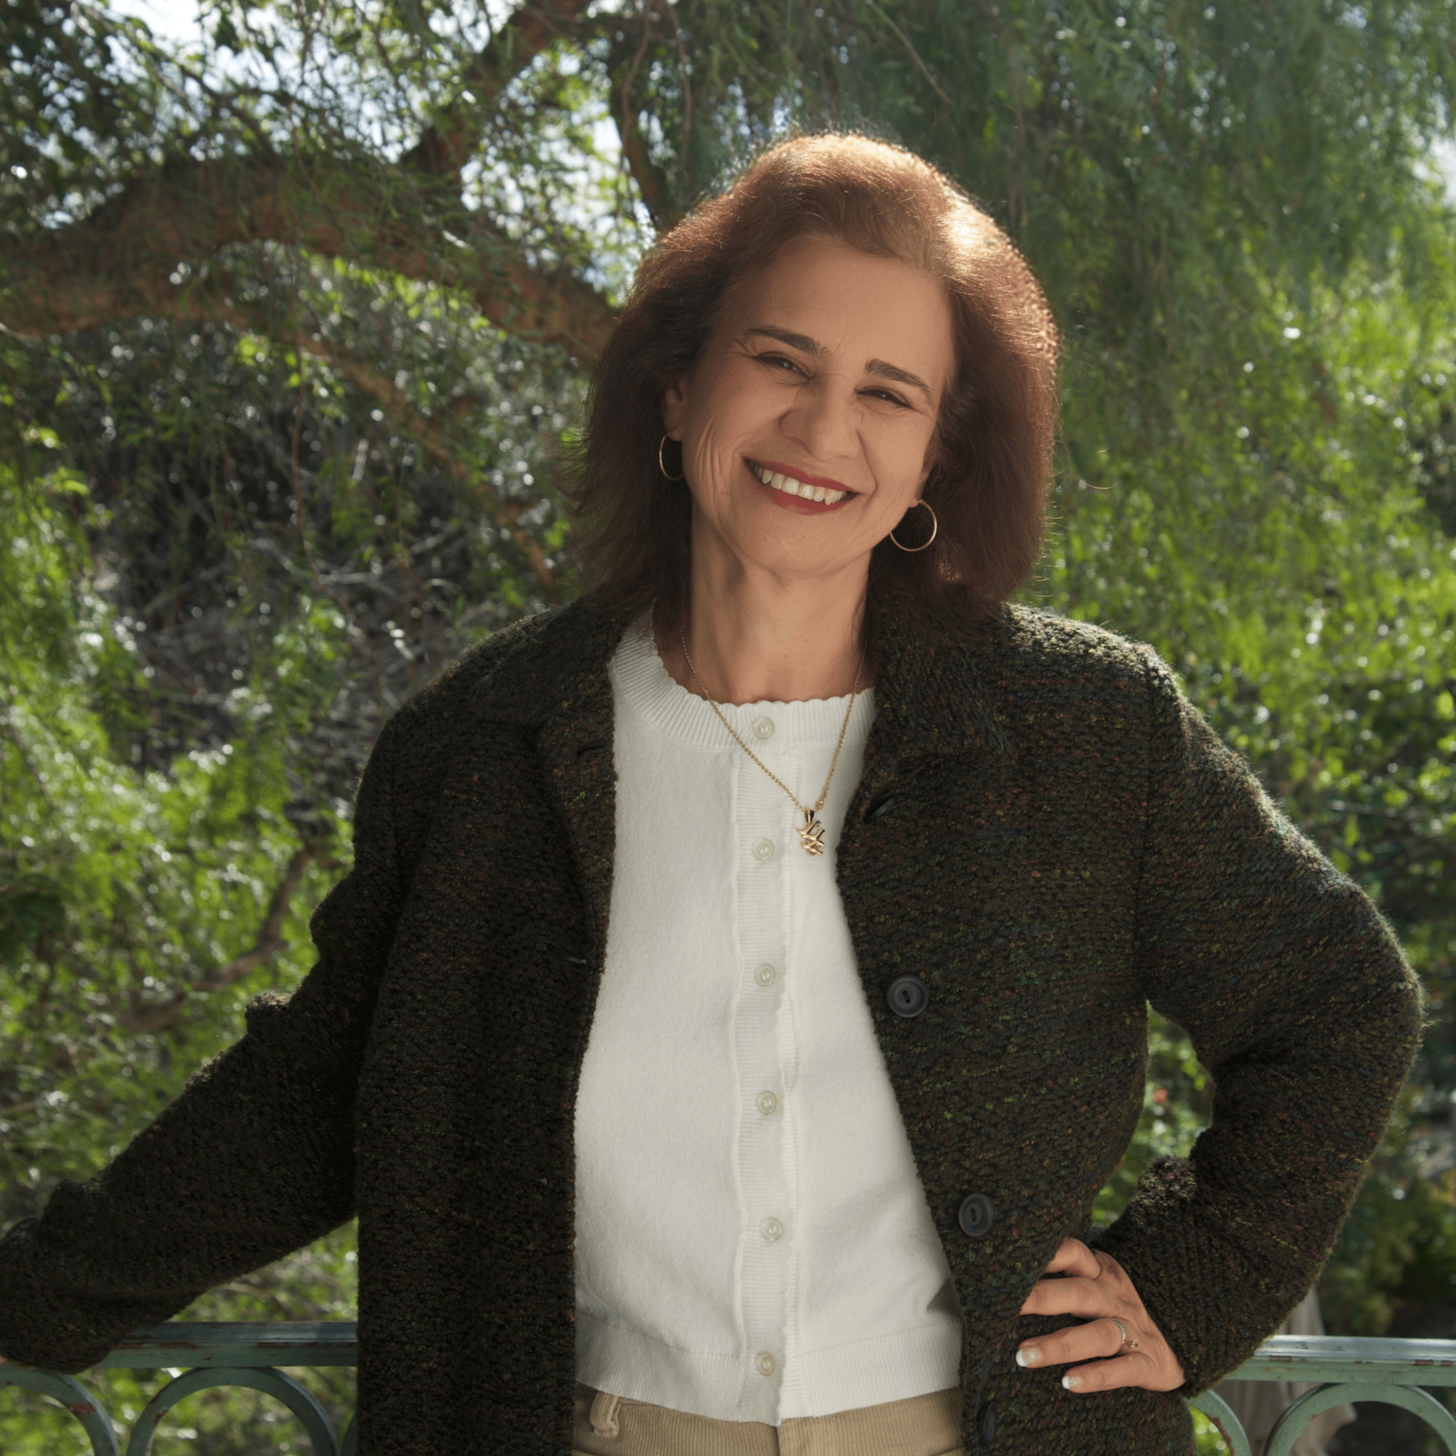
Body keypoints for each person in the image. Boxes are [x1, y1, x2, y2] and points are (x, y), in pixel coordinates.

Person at [0, 133, 1422, 1456]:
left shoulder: (1085, 729)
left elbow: (1340, 1001)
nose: (822, 427)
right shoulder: (482, 749)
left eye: (888, 393)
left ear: (935, 455)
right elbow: (309, 1098)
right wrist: (36, 1296)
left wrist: (1193, 1276)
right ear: (680, 389)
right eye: (781, 361)